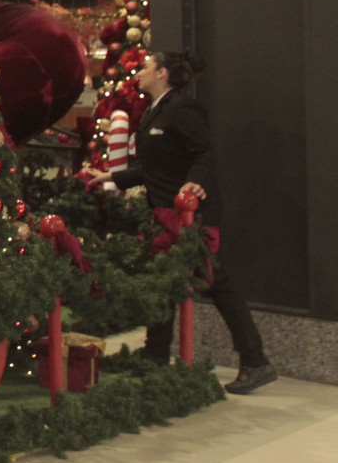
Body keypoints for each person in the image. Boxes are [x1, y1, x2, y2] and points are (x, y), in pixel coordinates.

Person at [82, 53, 275, 394]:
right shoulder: (154, 111)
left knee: (217, 283)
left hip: (190, 215)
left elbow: (204, 153)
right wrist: (111, 176)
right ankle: (156, 353)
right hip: (165, 213)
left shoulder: (183, 108)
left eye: (146, 67)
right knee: (164, 281)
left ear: (162, 73)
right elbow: (154, 168)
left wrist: (192, 185)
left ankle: (256, 362)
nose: (139, 72)